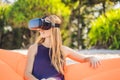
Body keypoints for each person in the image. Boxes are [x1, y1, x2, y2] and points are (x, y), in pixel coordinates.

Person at [24, 15, 101, 80]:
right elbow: (27, 73)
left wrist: (91, 58)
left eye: (45, 26)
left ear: (54, 29)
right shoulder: (34, 48)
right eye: (40, 26)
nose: (41, 29)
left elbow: (83, 59)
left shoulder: (63, 50)